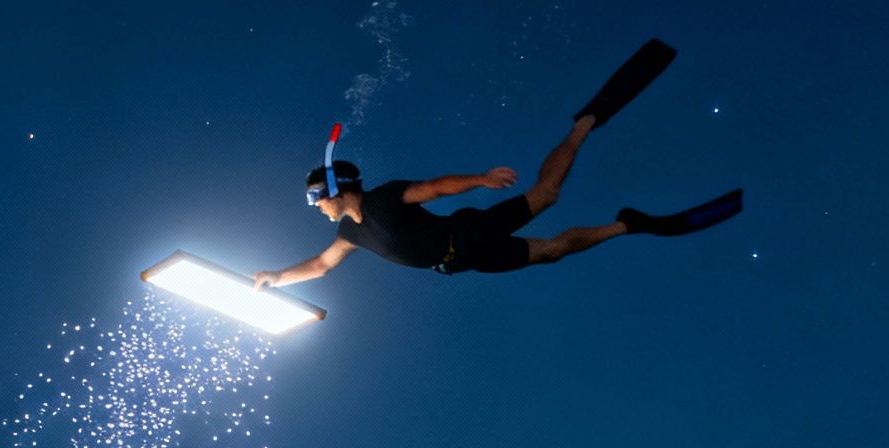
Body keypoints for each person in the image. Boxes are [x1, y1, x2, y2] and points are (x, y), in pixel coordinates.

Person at [254, 40, 740, 287]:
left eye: (316, 200)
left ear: (336, 187)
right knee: (550, 253)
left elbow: (436, 188)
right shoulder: (349, 235)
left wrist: (481, 180)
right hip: (464, 263)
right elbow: (319, 266)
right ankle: (626, 225)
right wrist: (276, 276)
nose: (315, 209)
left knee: (546, 196)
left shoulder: (384, 198)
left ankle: (584, 123)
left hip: (466, 236)